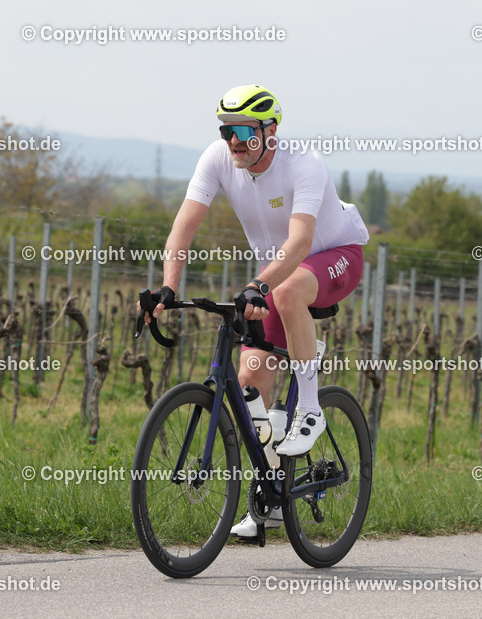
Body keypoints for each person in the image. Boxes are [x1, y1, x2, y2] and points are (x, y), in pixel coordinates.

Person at [147, 84, 368, 538]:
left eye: (244, 130)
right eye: (227, 130)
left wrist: (258, 285)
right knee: (250, 384)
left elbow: (301, 243)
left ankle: (310, 407)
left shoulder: (304, 163)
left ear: (270, 131)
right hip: (278, 270)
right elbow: (183, 227)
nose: (233, 141)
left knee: (286, 294)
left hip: (336, 254)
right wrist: (168, 287)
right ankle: (268, 498)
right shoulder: (217, 159)